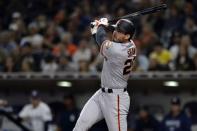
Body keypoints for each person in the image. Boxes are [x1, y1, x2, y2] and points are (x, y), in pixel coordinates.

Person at [73, 18, 136, 131]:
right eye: (116, 29)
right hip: (101, 94)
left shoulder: (117, 51)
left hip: (116, 99)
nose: (116, 32)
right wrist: (105, 25)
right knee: (81, 125)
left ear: (127, 36)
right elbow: (107, 36)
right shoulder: (131, 44)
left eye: (120, 31)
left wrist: (100, 26)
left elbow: (101, 39)